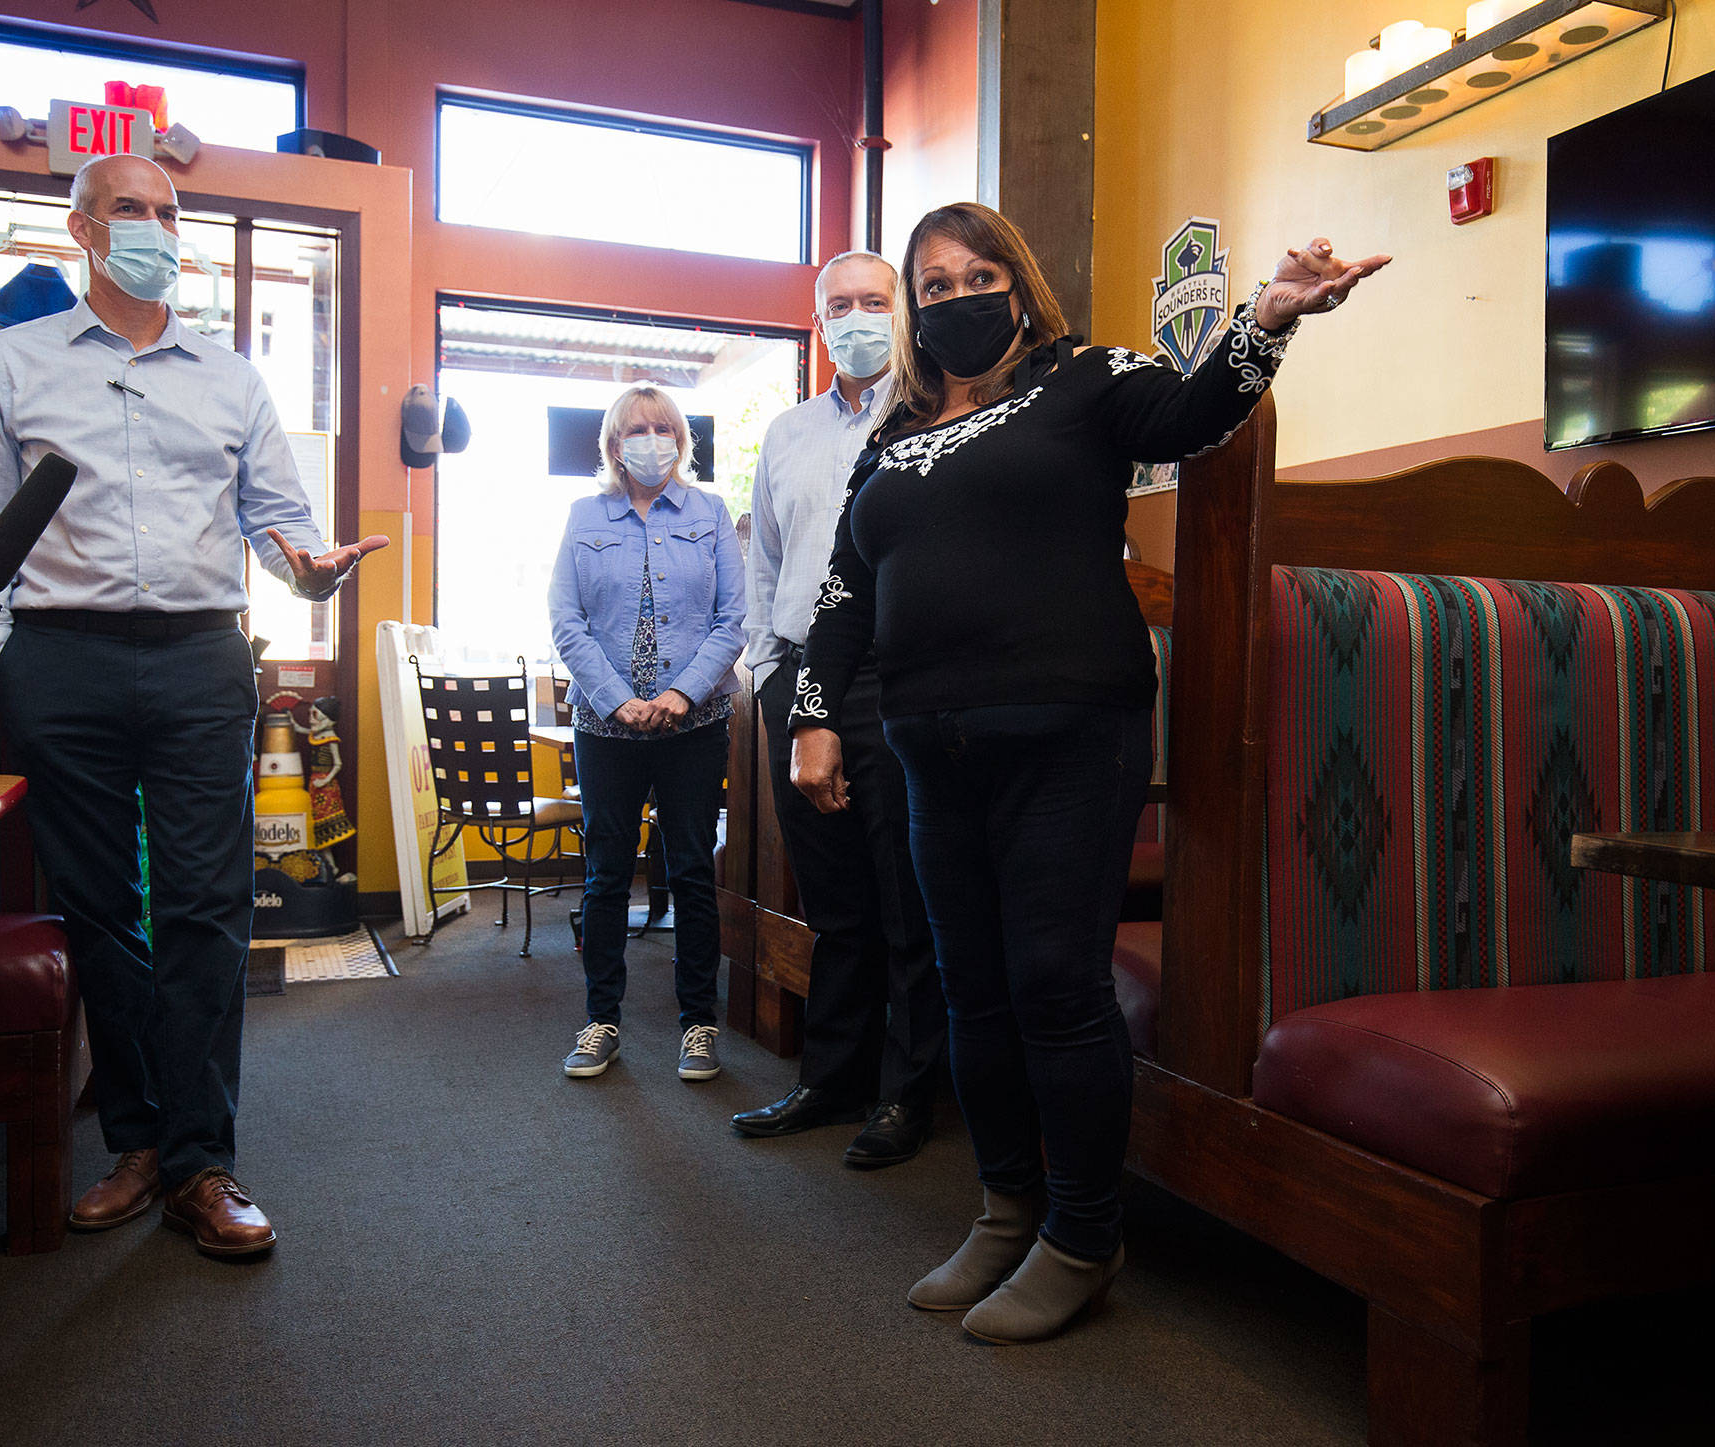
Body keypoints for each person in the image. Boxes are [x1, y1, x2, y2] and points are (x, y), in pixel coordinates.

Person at [790, 203, 1387, 1343]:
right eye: (933, 284)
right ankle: (1005, 1207)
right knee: (969, 987)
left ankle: (1080, 1232)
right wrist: (813, 715)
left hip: (1070, 729)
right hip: (926, 744)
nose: (954, 296)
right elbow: (841, 591)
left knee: (1054, 988)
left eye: (977, 274)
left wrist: (1269, 311)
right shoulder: (893, 430)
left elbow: (1195, 411)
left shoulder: (1085, 376)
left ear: (1017, 280)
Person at [0, 153, 388, 1259]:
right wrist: (5, 656)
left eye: (169, 212)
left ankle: (201, 1161)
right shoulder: (9, 362)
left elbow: (279, 524)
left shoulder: (230, 376)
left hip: (197, 656)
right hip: (61, 658)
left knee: (205, 906)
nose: (154, 227)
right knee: (99, 906)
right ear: (83, 232)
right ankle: (135, 1141)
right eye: (130, 210)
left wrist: (310, 572)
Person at [730, 251, 946, 1168]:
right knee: (832, 893)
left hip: (894, 673)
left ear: (899, 311)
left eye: (874, 301)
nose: (856, 318)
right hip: (798, 675)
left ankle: (907, 1093)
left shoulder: (938, 412)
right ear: (817, 323)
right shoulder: (787, 433)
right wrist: (764, 668)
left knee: (905, 892)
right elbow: (767, 561)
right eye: (838, 307)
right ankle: (833, 1075)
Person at [547, 385, 745, 1082]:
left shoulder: (711, 513)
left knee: (691, 870)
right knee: (605, 874)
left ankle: (698, 1024)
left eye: (664, 428)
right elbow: (566, 622)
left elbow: (733, 620)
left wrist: (677, 692)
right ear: (611, 444)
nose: (651, 439)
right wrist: (617, 698)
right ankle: (602, 1020)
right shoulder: (583, 515)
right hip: (605, 727)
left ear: (682, 441)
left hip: (695, 724)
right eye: (637, 429)